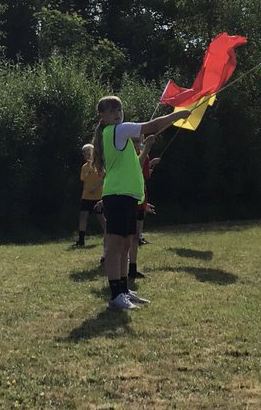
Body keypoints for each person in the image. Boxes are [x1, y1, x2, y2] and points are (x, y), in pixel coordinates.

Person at [92, 96, 190, 310]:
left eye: (119, 109)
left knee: (126, 244)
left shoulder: (119, 135)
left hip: (126, 195)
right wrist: (179, 114)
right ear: (103, 116)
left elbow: (134, 164)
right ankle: (116, 294)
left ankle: (124, 290)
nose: (117, 113)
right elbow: (152, 126)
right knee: (115, 246)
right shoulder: (119, 130)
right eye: (111, 110)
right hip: (117, 195)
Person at [128, 136, 161, 283]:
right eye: (134, 141)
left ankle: (132, 269)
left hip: (140, 198)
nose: (137, 144)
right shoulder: (124, 155)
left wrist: (145, 204)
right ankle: (118, 268)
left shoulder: (145, 155)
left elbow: (144, 176)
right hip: (127, 198)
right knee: (124, 237)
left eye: (138, 141)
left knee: (135, 235)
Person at [75, 143, 105, 247]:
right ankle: (81, 240)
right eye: (85, 153)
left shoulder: (98, 165)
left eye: (89, 152)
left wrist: (95, 187)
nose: (87, 155)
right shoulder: (84, 167)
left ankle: (109, 235)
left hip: (97, 196)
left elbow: (103, 178)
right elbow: (84, 180)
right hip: (86, 196)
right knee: (83, 216)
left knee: (101, 217)